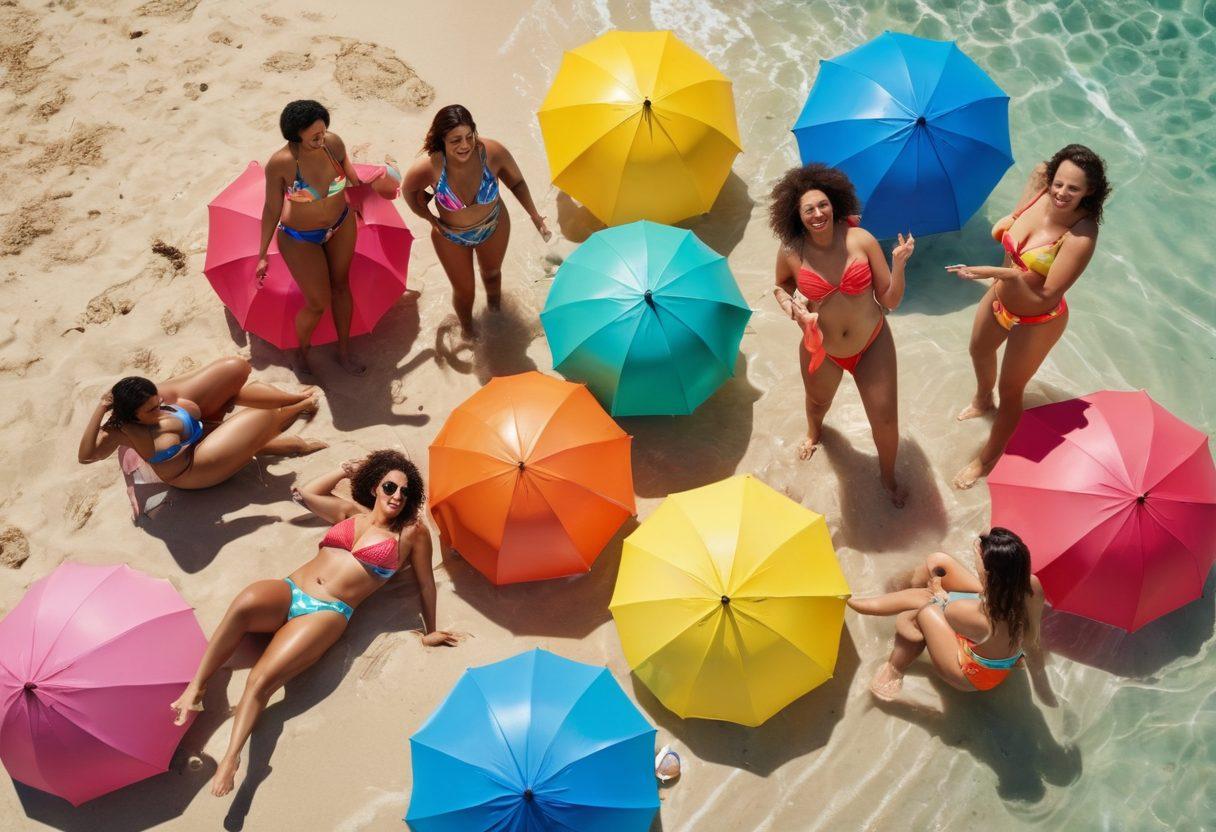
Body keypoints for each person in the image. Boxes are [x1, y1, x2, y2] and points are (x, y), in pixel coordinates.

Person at [170, 450, 462, 797]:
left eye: (405, 492)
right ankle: (197, 687)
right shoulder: (350, 513)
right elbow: (305, 493)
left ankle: (233, 760)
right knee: (245, 602)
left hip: (325, 613)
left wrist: (429, 631)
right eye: (390, 486)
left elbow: (426, 582)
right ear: (375, 488)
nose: (397, 496)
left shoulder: (412, 533)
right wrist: (344, 468)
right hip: (291, 589)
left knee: (261, 678)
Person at [949, 144, 1109, 489]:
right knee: (978, 350)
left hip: (1038, 320)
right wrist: (1022, 209)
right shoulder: (1040, 189)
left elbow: (1047, 294)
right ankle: (980, 398)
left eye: (1074, 188)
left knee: (1011, 391)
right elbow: (1038, 170)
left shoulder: (1081, 236)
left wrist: (1002, 274)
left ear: (1089, 192)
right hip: (1000, 300)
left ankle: (985, 459)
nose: (1062, 193)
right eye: (1059, 183)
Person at [770, 163, 915, 506]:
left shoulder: (860, 240)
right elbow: (781, 285)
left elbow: (889, 299)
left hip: (871, 342)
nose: (818, 213)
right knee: (818, 403)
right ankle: (814, 432)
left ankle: (888, 476)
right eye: (809, 209)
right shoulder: (791, 251)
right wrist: (791, 307)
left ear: (835, 203)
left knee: (884, 417)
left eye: (823, 205)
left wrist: (899, 265)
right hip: (822, 347)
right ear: (797, 214)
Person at [401, 104, 552, 340]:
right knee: (464, 292)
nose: (465, 145)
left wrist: (535, 216)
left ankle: (495, 314)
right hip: (451, 236)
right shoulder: (430, 166)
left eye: (469, 136)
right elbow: (409, 191)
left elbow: (517, 183)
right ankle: (468, 331)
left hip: (494, 224)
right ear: (442, 140)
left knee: (492, 274)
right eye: (455, 140)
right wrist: (429, 218)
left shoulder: (492, 152)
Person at [848, 528, 1045, 700]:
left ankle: (894, 668)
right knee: (938, 561)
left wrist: (938, 593)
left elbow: (935, 603)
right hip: (1003, 650)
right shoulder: (1032, 585)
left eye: (977, 558)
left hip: (972, 675)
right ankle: (900, 585)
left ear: (988, 573)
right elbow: (1031, 634)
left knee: (920, 612)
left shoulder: (976, 615)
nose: (975, 560)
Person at [77, 357, 324, 489]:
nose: (160, 404)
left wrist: (227, 393)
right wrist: (100, 409)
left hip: (202, 433)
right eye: (152, 408)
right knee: (260, 416)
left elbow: (191, 380)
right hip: (192, 470)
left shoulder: (151, 397)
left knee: (234, 369)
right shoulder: (123, 430)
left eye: (158, 399)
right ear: (133, 415)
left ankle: (296, 402)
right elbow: (86, 457)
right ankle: (291, 423)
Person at [257, 99, 367, 377]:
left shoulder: (334, 145)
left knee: (342, 287)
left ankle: (344, 351)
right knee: (318, 302)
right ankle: (300, 349)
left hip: (341, 224)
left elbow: (351, 178)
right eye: (314, 136)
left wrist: (376, 181)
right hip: (300, 237)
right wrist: (262, 255)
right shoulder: (281, 163)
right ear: (296, 134)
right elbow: (271, 208)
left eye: (324, 131)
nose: (322, 139)